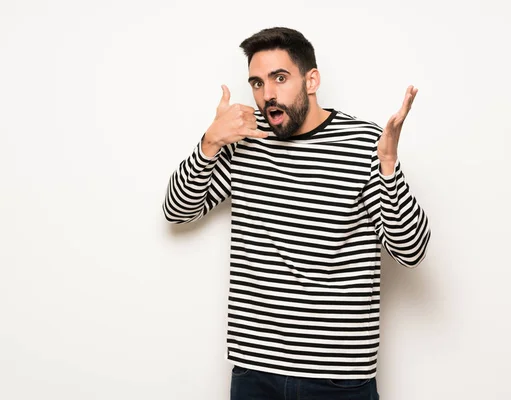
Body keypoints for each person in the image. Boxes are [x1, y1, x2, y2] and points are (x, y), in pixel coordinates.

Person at [162, 27, 431, 400]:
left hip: (339, 376)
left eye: (280, 78)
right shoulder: (246, 142)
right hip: (255, 371)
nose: (267, 95)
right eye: (257, 83)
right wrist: (210, 142)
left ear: (312, 80)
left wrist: (388, 166)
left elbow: (411, 251)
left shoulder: (364, 144)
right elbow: (176, 209)